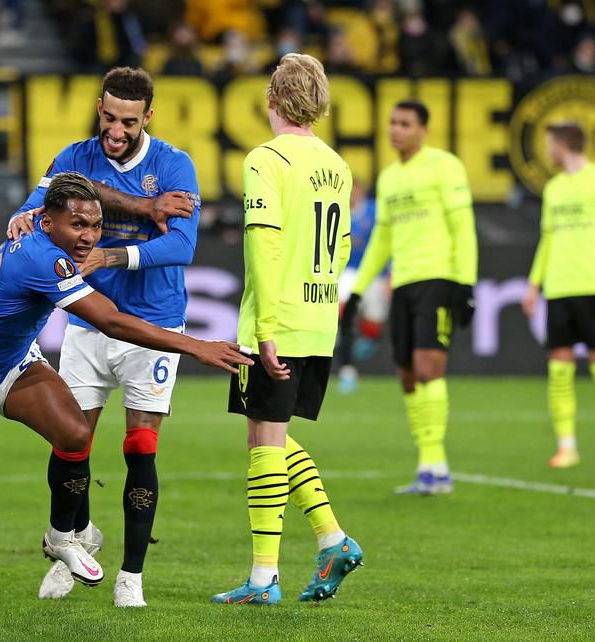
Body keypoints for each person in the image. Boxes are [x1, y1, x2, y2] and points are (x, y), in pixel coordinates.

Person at [0, 172, 251, 604]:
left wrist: (33, 211)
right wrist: (197, 346)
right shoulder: (43, 258)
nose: (89, 236)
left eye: (95, 225)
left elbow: (46, 199)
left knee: (74, 433)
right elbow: (109, 320)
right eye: (78, 225)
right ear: (50, 224)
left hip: (13, 362)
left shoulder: (39, 225)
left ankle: (61, 536)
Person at [7, 66, 200, 608]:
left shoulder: (174, 164)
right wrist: (23, 220)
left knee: (140, 446)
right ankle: (73, 544)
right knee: (72, 439)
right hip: (90, 321)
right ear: (99, 107)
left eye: (129, 122)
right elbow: (32, 205)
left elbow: (182, 245)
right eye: (109, 117)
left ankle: (131, 577)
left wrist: (113, 254)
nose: (116, 131)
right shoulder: (73, 158)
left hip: (155, 322)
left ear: (148, 118)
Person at [215, 53, 362, 606]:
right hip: (319, 317)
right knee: (266, 436)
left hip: (275, 322)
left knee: (264, 444)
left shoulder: (265, 159)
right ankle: (332, 539)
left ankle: (262, 579)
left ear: (270, 99)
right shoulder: (337, 165)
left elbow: (264, 242)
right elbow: (343, 245)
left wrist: (266, 330)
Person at [342, 99, 478, 496]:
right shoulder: (390, 178)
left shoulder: (444, 165)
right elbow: (382, 240)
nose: (395, 130)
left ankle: (436, 467)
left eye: (405, 123)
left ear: (423, 130)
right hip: (401, 282)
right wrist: (356, 291)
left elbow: (462, 226)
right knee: (406, 372)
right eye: (392, 123)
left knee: (428, 365)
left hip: (439, 277)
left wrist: (465, 285)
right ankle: (427, 465)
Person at [521, 122, 595, 470]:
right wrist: (534, 284)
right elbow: (548, 240)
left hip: (593, 288)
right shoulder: (553, 188)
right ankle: (566, 446)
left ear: (562, 144)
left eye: (549, 144)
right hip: (558, 289)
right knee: (559, 371)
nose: (547, 151)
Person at [334, 176, 389, 394]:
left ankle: (370, 338)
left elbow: (387, 240)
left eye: (354, 191)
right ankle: (347, 371)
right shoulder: (337, 211)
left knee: (374, 322)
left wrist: (389, 275)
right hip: (347, 272)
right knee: (342, 315)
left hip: (374, 273)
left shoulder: (375, 212)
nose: (351, 196)